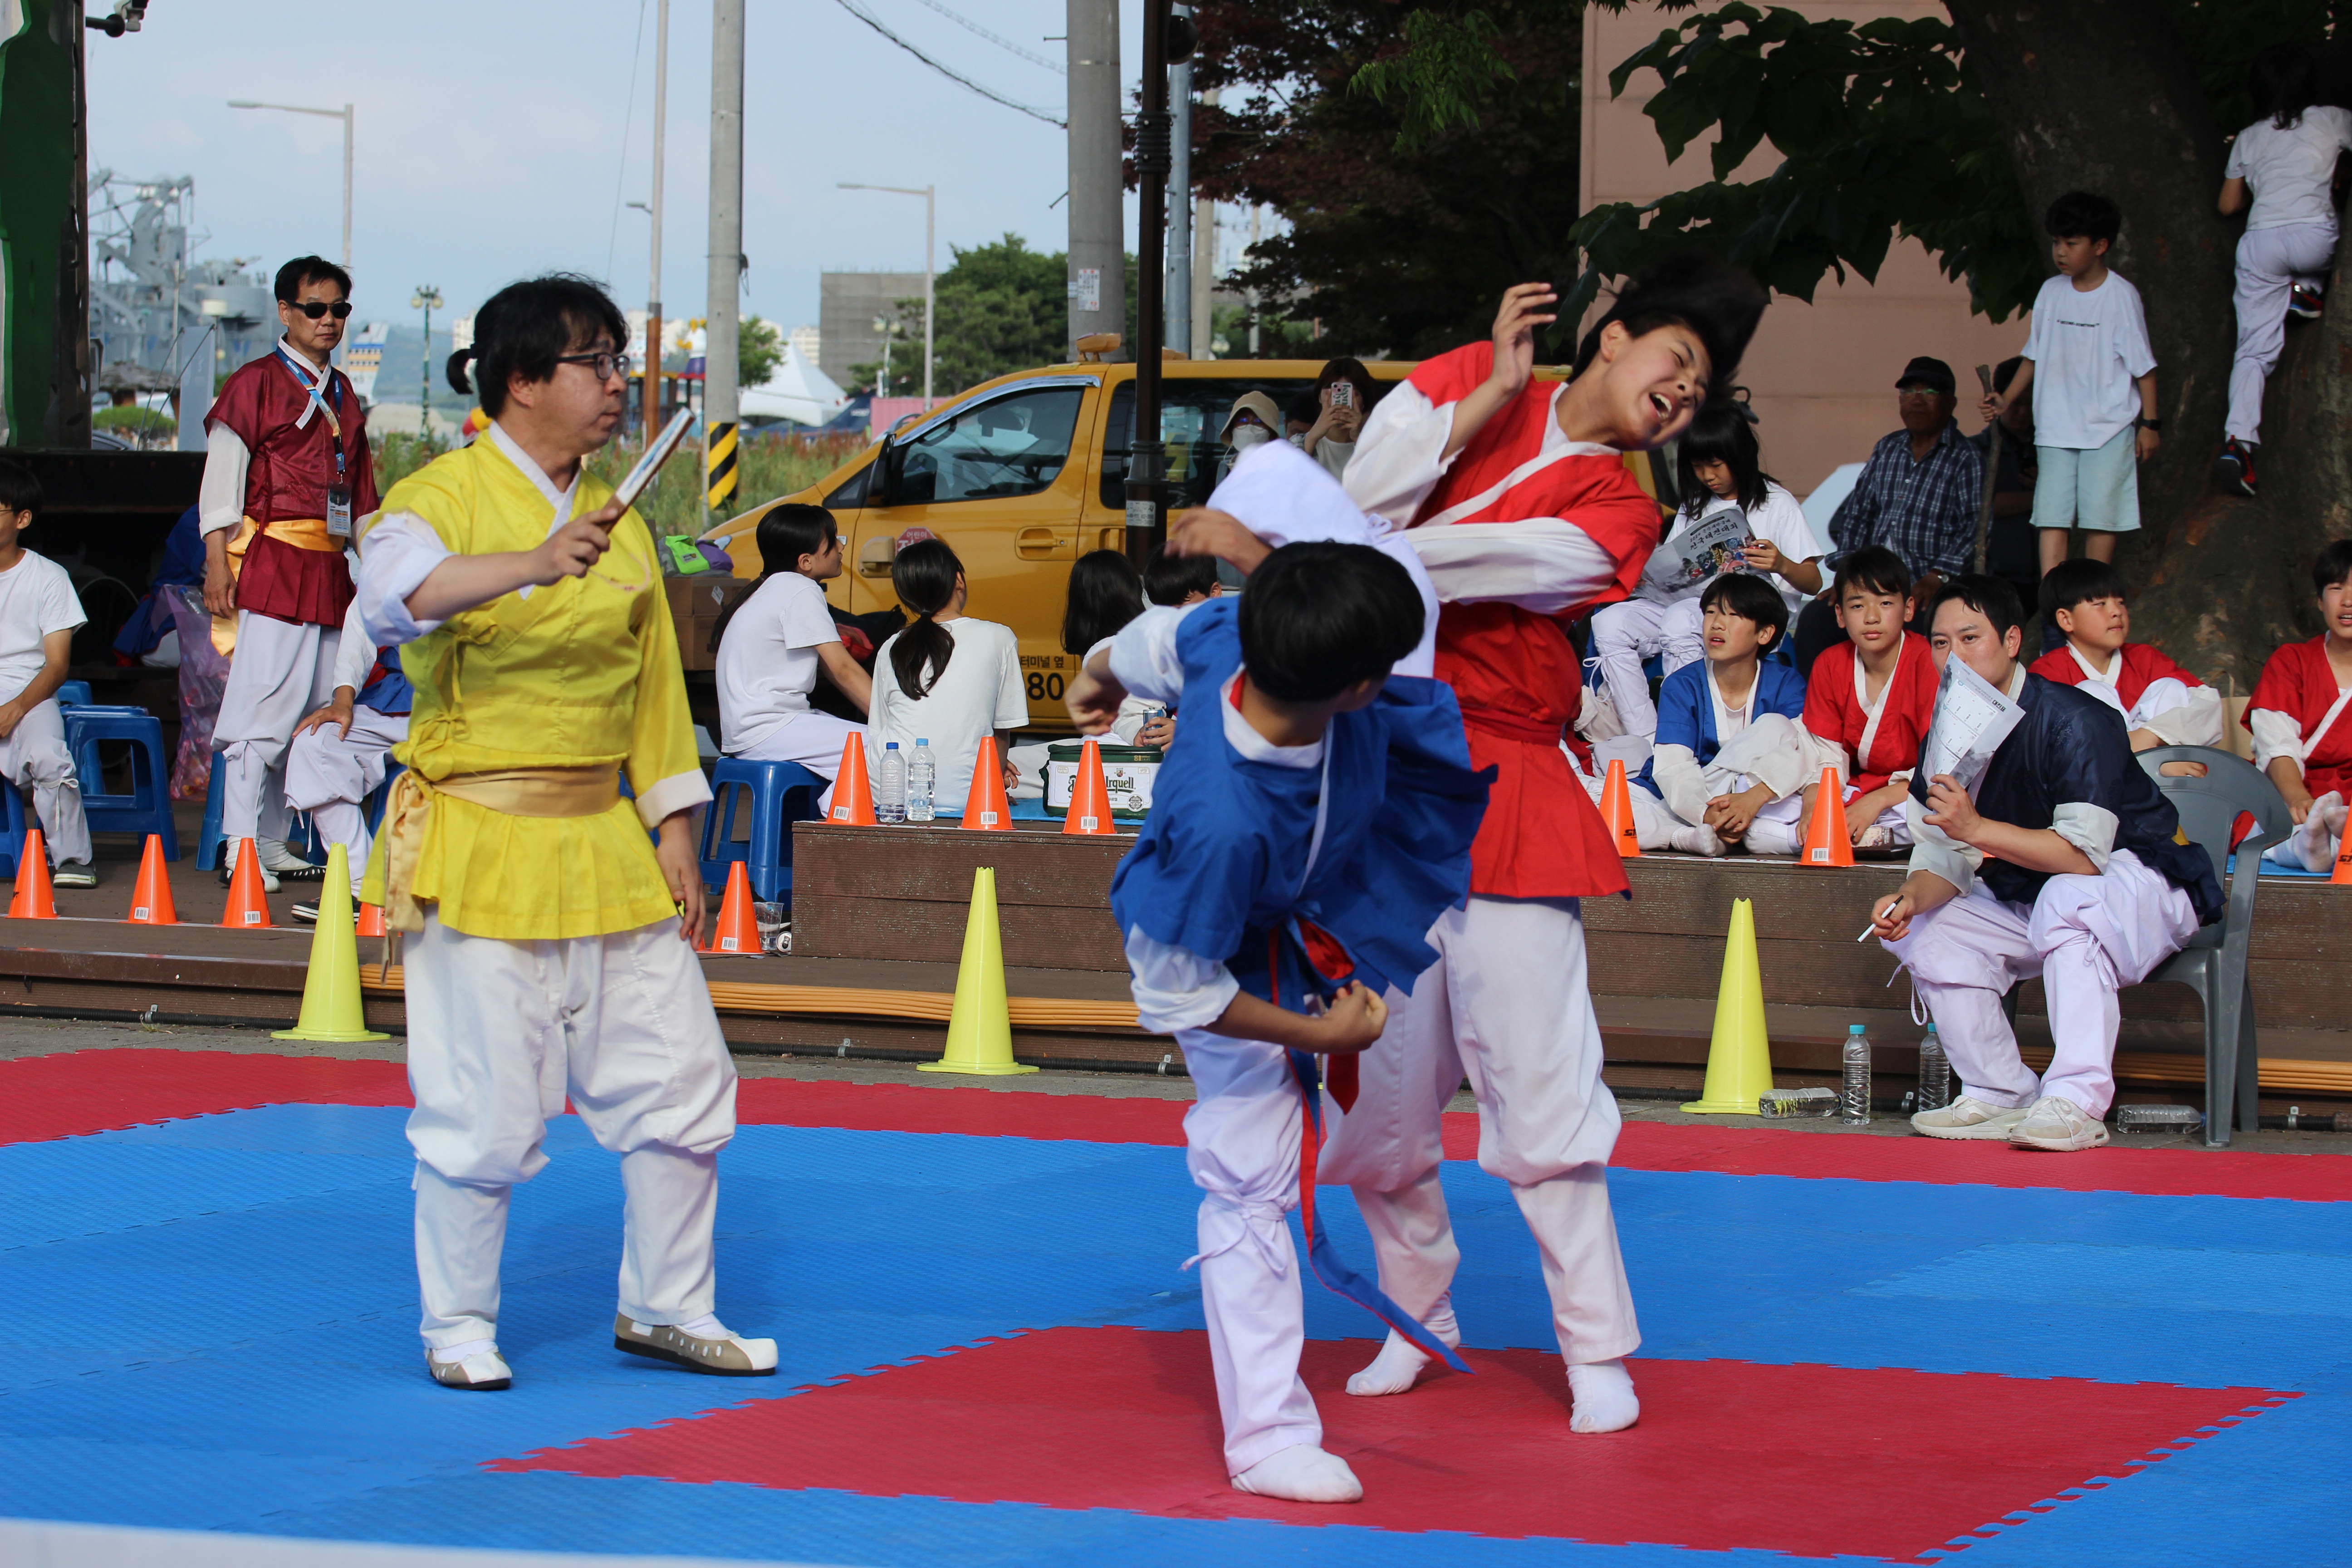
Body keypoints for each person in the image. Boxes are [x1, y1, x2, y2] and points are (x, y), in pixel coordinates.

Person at [1327, 251, 1768, 1431]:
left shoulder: (1624, 508)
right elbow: (1361, 493)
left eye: (1698, 391)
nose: (1681, 395)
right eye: (1677, 361)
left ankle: (1596, 1349)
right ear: (1613, 335)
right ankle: (1416, 1312)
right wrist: (1480, 404)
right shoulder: (1472, 378)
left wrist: (1357, 554)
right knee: (1372, 1094)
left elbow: (1476, 561)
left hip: (1507, 784)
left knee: (1542, 1082)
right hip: (1382, 778)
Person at [353, 273, 771, 1391]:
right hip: (479, 840)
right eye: (596, 362)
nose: (617, 384)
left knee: (683, 1083)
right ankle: (457, 1324)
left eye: (619, 362)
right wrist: (536, 562)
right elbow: (391, 599)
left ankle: (670, 1306)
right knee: (482, 1103)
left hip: (607, 843)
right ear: (523, 380)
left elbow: (653, 691)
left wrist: (676, 824)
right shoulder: (437, 497)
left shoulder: (624, 529)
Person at [1070, 539, 1486, 1505]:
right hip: (1226, 946)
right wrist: (1317, 1037)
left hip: (1338, 873)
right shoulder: (1214, 825)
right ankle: (1265, 1436)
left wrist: (1095, 673)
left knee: (1380, 1124)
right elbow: (1175, 994)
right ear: (1358, 689)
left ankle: (1421, 1293)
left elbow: (1154, 639)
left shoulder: (1226, 628)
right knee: (1249, 1175)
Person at [1872, 576, 2223, 1152]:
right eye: (1939, 643)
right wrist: (1910, 897)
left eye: (1970, 638)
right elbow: (1944, 855)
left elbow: (2083, 857)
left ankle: (2077, 1102)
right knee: (1925, 927)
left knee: (2067, 897)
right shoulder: (1947, 734)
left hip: (2144, 882)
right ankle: (1999, 1091)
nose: (1954, 656)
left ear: (2012, 641)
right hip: (2038, 893)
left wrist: (1977, 829)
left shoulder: (2074, 718)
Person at [199, 255, 378, 892]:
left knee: (313, 711)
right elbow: (221, 482)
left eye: (339, 310)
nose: (329, 320)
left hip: (331, 568)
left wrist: (378, 568)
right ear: (285, 311)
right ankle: (240, 845)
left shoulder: (344, 391)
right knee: (262, 710)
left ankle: (272, 842)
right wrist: (216, 562)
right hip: (274, 560)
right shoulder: (254, 383)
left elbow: (363, 496)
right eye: (316, 308)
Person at [1588, 400, 1823, 753]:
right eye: (1698, 467)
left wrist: (1781, 564)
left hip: (1743, 615)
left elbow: (1814, 581)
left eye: (1715, 465)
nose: (1708, 476)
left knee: (1681, 620)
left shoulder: (1777, 503)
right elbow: (1675, 563)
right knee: (1609, 623)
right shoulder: (1694, 505)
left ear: (1739, 455)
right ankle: (1650, 737)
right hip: (1687, 603)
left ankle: (1690, 733)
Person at [1980, 192, 2160, 577]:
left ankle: (2091, 596)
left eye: (2071, 243)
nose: (2060, 252)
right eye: (2056, 242)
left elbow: (2144, 368)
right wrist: (2006, 399)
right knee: (2052, 517)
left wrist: (2150, 424)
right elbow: (2034, 354)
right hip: (2055, 428)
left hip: (2109, 427)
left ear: (2101, 246)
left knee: (2101, 519)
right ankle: (2053, 599)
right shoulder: (2051, 291)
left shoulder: (2121, 296)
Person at [2217, 47, 2352, 497]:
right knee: (2330, 238)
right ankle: (2308, 290)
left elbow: (2228, 205)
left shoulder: (2249, 137)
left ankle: (2239, 445)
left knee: (2252, 352)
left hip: (2261, 245)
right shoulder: (2331, 119)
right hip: (2316, 238)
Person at [1794, 357, 1983, 675]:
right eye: (1908, 392)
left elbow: (1974, 529)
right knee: (1816, 618)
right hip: (1871, 581)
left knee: (1928, 634)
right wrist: (1848, 576)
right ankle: (1814, 702)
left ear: (1951, 403)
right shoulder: (1889, 447)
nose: (1917, 400)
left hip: (1925, 585)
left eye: (1929, 392)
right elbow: (1857, 516)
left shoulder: (1966, 457)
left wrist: (1938, 576)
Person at [1612, 573, 1808, 856]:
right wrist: (1705, 814)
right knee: (1603, 803)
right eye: (1711, 612)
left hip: (1754, 796)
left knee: (1777, 727)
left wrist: (1750, 799)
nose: (1717, 624)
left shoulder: (1786, 683)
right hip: (1692, 797)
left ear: (1765, 634)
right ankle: (1694, 835)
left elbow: (1801, 753)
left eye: (1733, 615)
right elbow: (1674, 767)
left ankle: (1707, 834)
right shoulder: (1682, 684)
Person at [713, 503, 872, 809]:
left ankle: (828, 818)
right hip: (770, 729)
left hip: (758, 729)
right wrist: (896, 723)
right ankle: (831, 823)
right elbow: (843, 671)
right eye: (833, 542)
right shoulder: (800, 590)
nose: (841, 547)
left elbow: (834, 669)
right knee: (888, 750)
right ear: (806, 561)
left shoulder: (771, 588)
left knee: (876, 743)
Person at [865, 538, 1026, 815]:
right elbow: (1002, 731)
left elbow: (881, 731)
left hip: (888, 796)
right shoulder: (999, 638)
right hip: (965, 798)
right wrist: (993, 782)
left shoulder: (891, 646)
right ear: (959, 580)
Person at [1794, 547, 1940, 853]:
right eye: (1858, 606)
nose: (1872, 618)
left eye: (1885, 603)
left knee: (1937, 821)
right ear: (1840, 615)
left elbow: (1940, 765)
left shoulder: (1929, 661)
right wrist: (1817, 803)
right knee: (1766, 829)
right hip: (1852, 790)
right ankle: (1849, 835)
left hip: (1912, 795)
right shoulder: (1830, 664)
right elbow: (1827, 755)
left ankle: (1854, 836)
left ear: (1908, 609)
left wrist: (1879, 800)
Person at [282, 593, 412, 923]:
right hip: (402, 698)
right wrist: (342, 700)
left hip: (477, 703)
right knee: (315, 745)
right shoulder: (391, 566)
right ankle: (363, 888)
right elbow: (360, 628)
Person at [0, 458, 93, 887]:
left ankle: (73, 860)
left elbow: (57, 665)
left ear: (22, 519)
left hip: (30, 693)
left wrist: (16, 708)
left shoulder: (49, 578)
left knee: (50, 758)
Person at [2026, 558, 2224, 755]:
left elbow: (2207, 705)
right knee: (2090, 693)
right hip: (2095, 771)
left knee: (2171, 687)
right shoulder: (2048, 673)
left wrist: (2151, 735)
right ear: (2066, 620)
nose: (2117, 612)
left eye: (2120, 603)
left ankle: (2161, 762)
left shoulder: (2146, 659)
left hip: (2166, 763)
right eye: (2100, 604)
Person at [2243, 538, 2352, 872]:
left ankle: (2333, 837)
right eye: (2336, 588)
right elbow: (2276, 745)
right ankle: (2309, 843)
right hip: (2293, 788)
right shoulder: (2291, 661)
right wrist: (2299, 800)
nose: (2348, 601)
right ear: (2320, 600)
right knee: (2280, 822)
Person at [1298, 357, 1376, 480]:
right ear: (1320, 397)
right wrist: (1312, 438)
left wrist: (1360, 440)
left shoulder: (1378, 447)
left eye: (1352, 394)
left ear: (1364, 402)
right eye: (1333, 392)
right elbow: (1286, 483)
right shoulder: (1298, 443)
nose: (1341, 400)